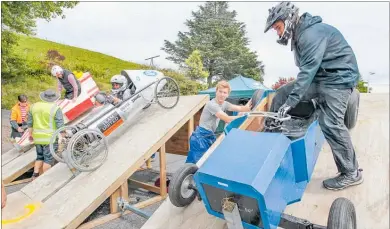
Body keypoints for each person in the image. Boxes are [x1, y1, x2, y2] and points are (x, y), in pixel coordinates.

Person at [264, 2, 362, 190]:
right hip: (321, 77)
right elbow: (307, 72)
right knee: (282, 93)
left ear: (288, 19)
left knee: (330, 123)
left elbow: (307, 72)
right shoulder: (299, 35)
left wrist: (292, 102)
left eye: (277, 27)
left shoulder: (310, 34)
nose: (277, 33)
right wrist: (288, 99)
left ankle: (351, 172)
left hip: (338, 80)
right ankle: (271, 133)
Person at [185, 80, 252, 164]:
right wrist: (242, 117)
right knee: (195, 166)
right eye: (220, 91)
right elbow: (227, 119)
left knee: (207, 163)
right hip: (200, 138)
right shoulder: (211, 104)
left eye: (224, 92)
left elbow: (242, 108)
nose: (222, 94)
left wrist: (253, 99)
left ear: (228, 94)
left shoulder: (225, 104)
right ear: (216, 92)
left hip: (209, 136)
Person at [27, 89, 64, 179]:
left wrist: (30, 134)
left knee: (40, 156)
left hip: (37, 138)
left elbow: (30, 123)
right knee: (48, 159)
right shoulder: (55, 108)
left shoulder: (33, 106)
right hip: (49, 139)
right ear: (54, 98)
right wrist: (63, 136)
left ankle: (35, 175)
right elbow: (60, 125)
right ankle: (44, 179)